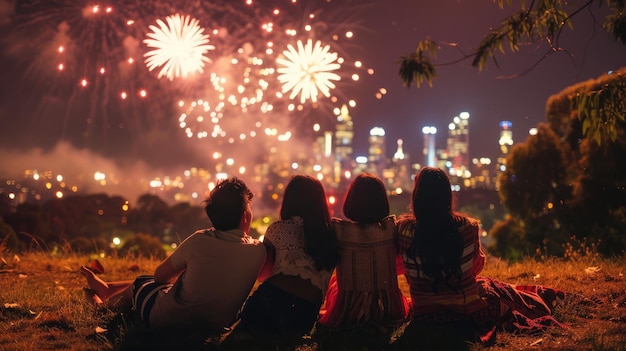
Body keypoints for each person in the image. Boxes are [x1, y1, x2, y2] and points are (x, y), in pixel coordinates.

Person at [396, 167, 590, 345]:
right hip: (466, 312)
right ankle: (544, 302)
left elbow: (398, 267)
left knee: (486, 284)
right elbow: (476, 268)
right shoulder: (467, 227)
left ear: (417, 197)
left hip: (424, 314)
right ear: (447, 196)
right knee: (491, 286)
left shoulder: (403, 230)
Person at [81, 177, 267, 330]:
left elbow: (159, 277)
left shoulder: (199, 240)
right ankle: (109, 289)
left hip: (167, 320)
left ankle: (102, 306)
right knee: (156, 282)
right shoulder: (259, 251)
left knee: (141, 283)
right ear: (244, 216)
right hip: (217, 323)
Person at [232, 174, 338, 340]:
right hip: (305, 315)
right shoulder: (332, 233)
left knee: (245, 329)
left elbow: (263, 275)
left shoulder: (278, 229)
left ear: (289, 200)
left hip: (271, 300)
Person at [318, 173, 409, 329]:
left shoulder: (339, 231)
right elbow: (400, 267)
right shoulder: (390, 229)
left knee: (335, 283)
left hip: (348, 311)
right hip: (388, 309)